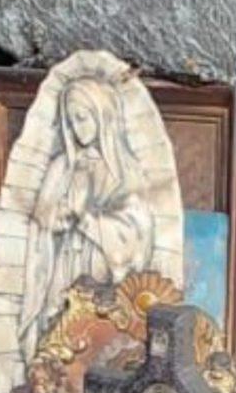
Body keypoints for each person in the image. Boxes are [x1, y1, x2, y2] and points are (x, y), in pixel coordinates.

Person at [13, 74, 156, 362]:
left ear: (102, 116)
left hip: (102, 264)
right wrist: (58, 219)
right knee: (58, 324)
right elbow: (42, 219)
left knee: (96, 335)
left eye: (82, 118)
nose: (77, 128)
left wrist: (89, 220)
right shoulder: (61, 167)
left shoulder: (125, 171)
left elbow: (136, 230)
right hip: (65, 261)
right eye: (70, 121)